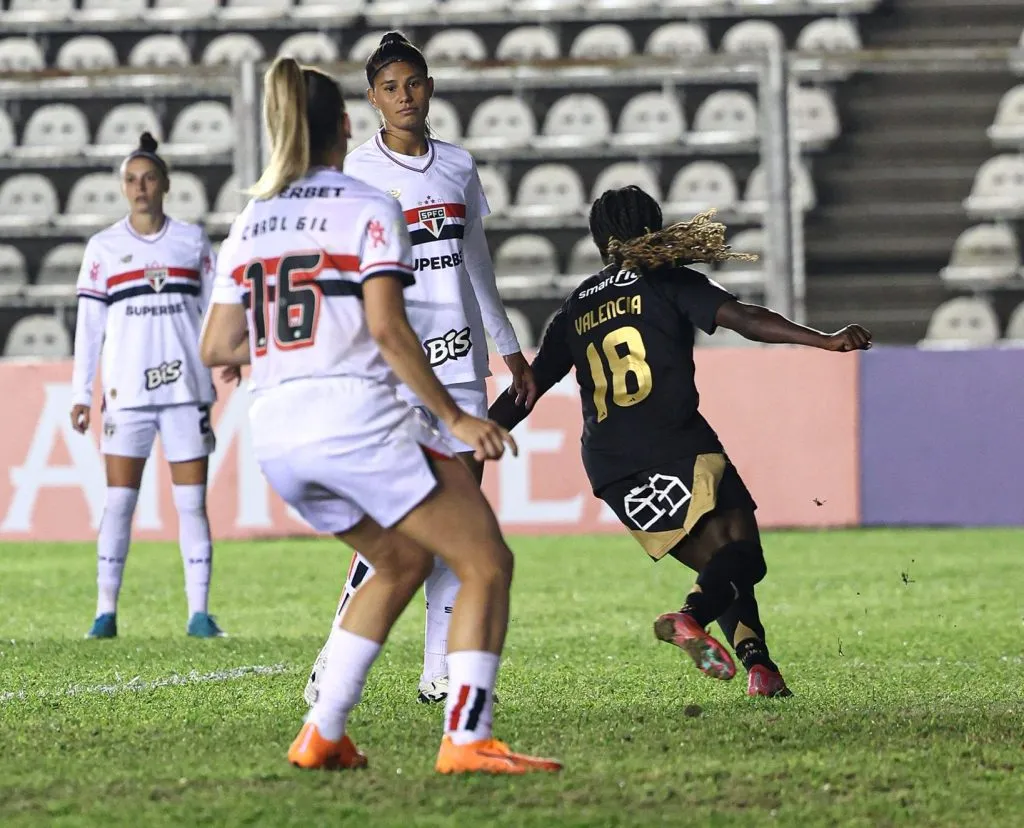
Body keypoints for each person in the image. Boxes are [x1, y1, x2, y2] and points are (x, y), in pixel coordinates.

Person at [200, 57, 561, 774]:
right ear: (346, 124)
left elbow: (217, 344)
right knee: (485, 560)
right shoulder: (368, 206)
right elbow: (392, 333)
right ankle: (467, 738)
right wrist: (456, 420)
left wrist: (274, 340)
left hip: (275, 436)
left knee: (396, 560)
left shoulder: (253, 215)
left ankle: (322, 731)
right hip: (353, 421)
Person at [488, 186, 873, 697]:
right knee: (744, 557)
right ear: (656, 226)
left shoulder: (576, 307)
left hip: (610, 468)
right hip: (676, 444)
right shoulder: (667, 281)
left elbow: (528, 388)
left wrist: (472, 438)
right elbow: (747, 320)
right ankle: (688, 617)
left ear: (601, 241)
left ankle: (762, 670)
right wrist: (823, 339)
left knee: (723, 563)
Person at [304, 31, 536, 707]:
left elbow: (477, 264)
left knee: (459, 518)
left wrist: (509, 347)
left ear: (430, 87)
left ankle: (438, 668)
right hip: (394, 362)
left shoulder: (459, 165)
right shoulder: (357, 172)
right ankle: (334, 650)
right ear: (372, 100)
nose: (404, 96)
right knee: (394, 521)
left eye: (414, 83)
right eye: (389, 87)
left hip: (461, 360)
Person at [71, 132, 225, 640]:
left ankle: (199, 613)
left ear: (165, 184)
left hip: (186, 390)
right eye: (131, 180)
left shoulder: (191, 240)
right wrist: (80, 392)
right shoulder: (104, 248)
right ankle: (105, 611)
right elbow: (89, 327)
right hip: (127, 396)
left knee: (191, 502)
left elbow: (214, 308)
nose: (140, 188)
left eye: (149, 178)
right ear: (122, 188)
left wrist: (227, 355)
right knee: (119, 502)